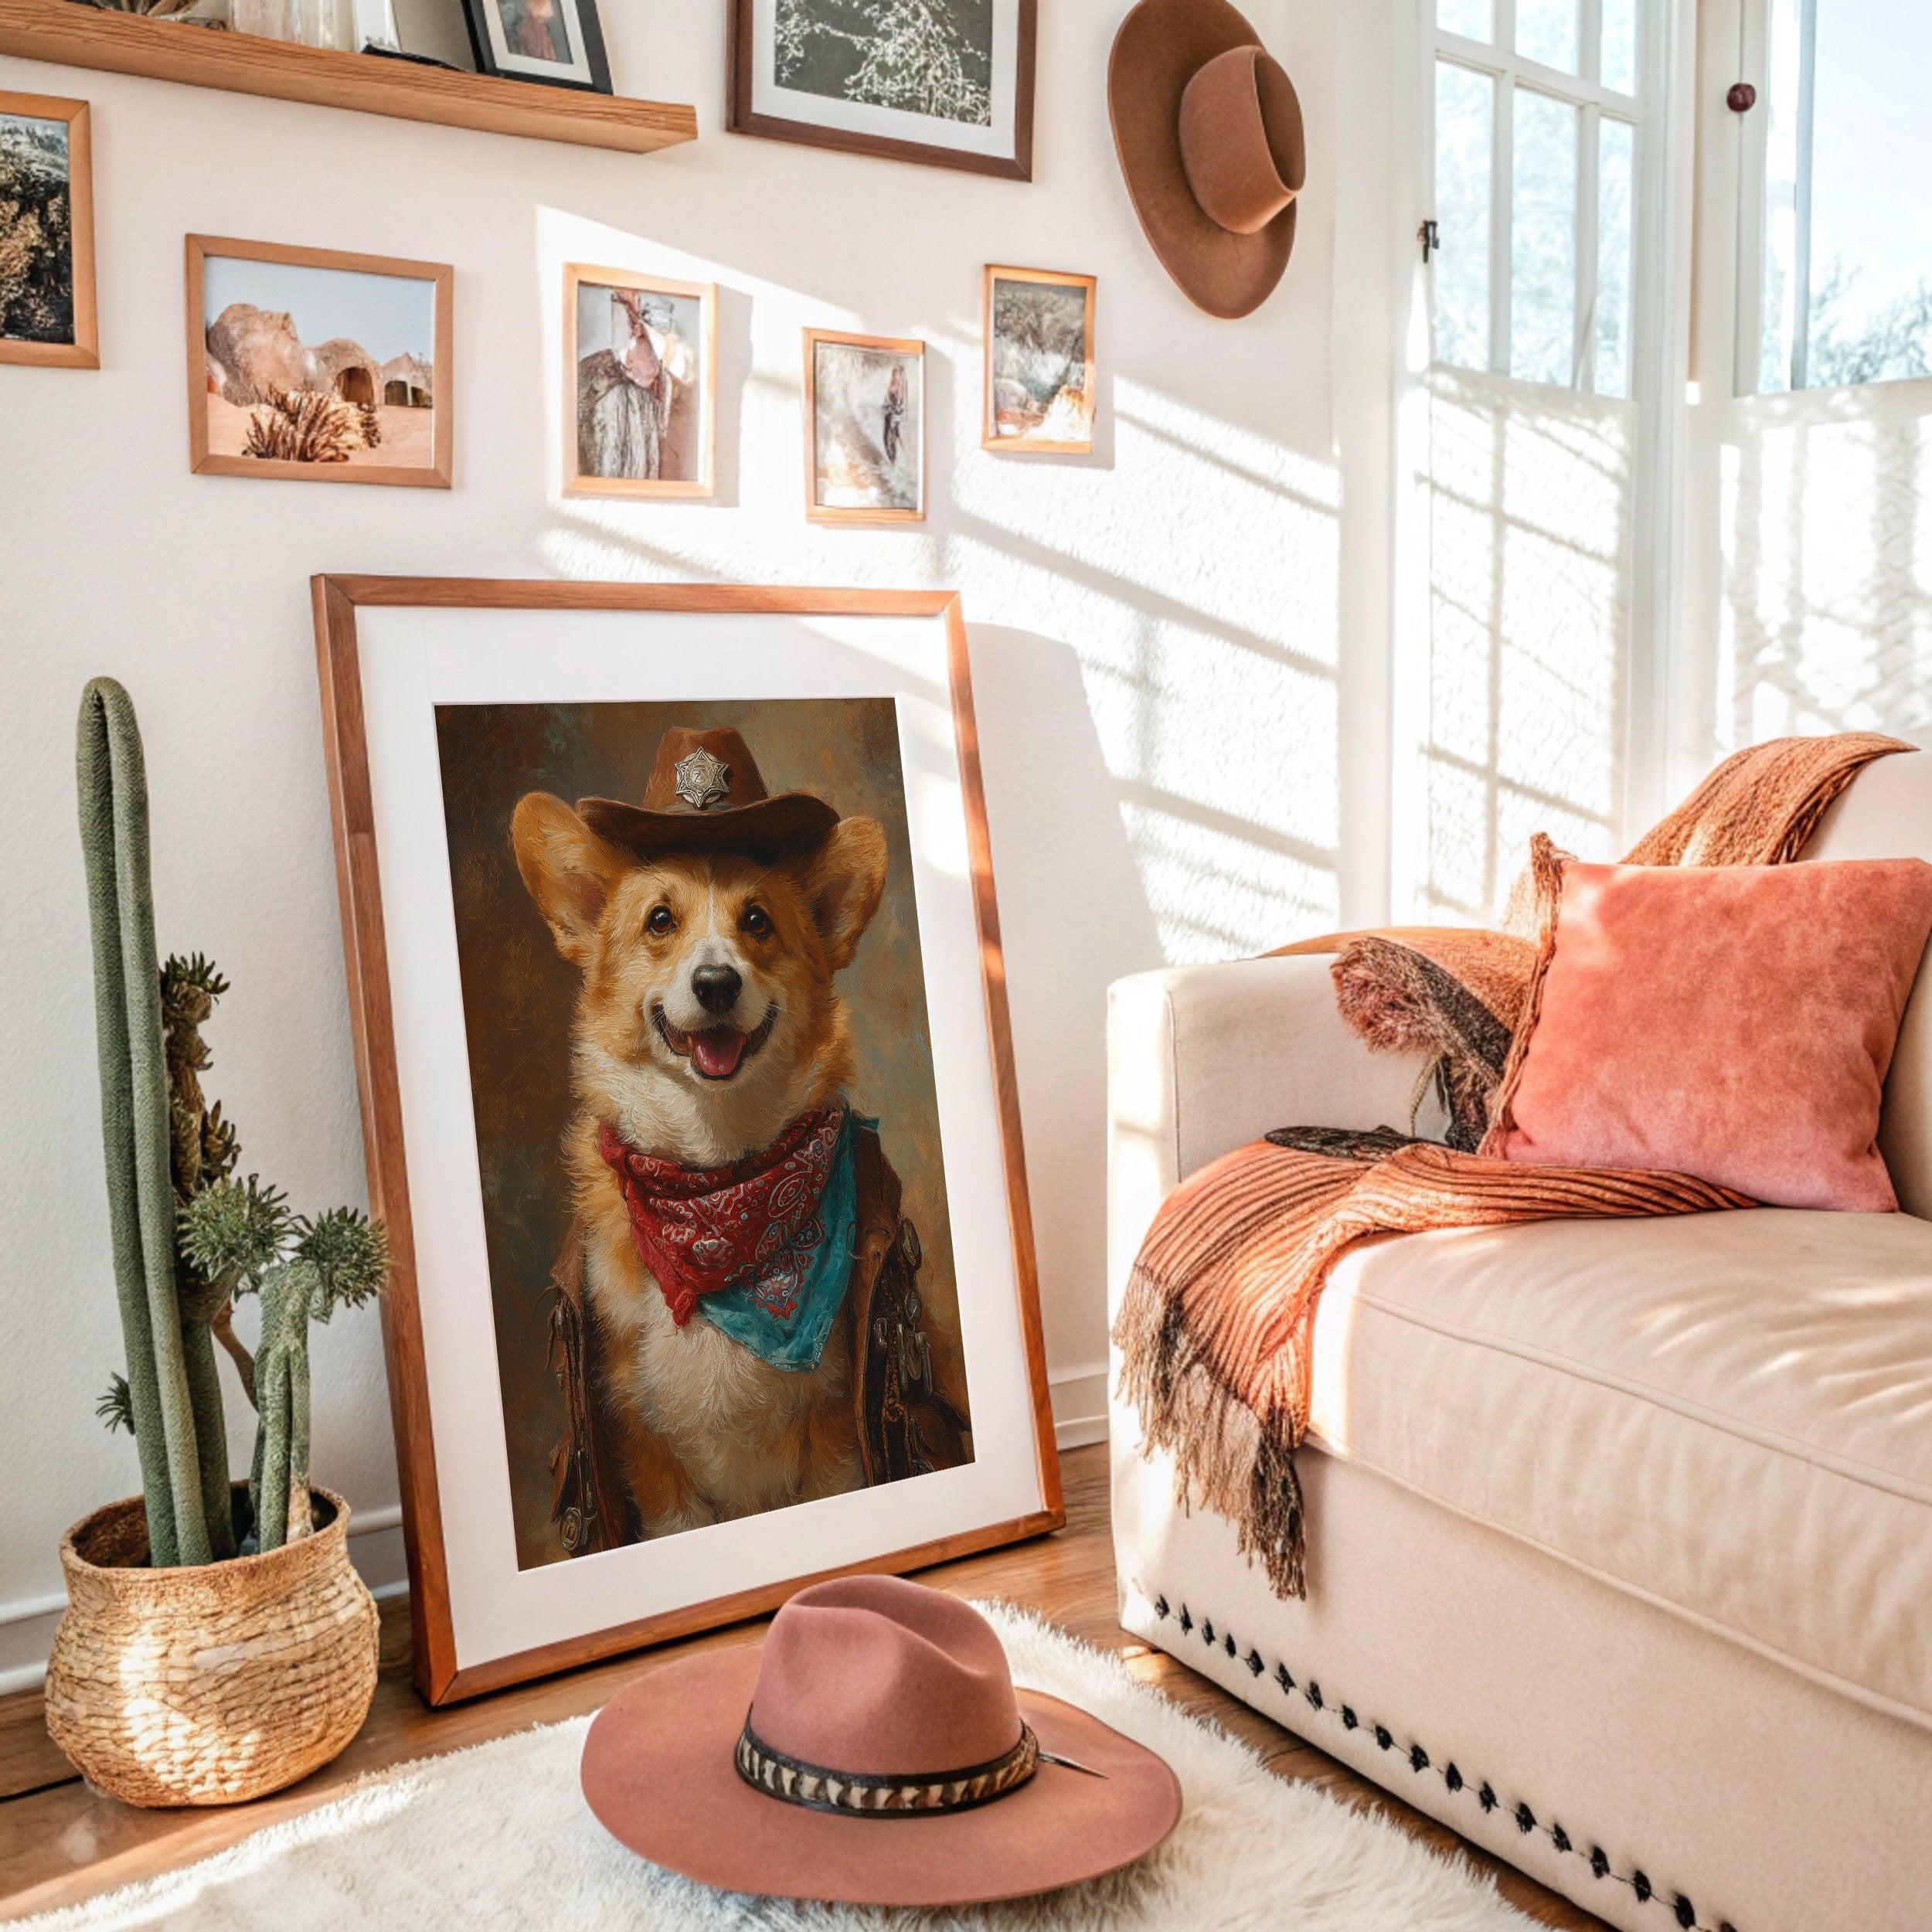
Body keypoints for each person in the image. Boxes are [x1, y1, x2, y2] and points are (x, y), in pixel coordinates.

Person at [882, 362, 907, 466]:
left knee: (892, 437)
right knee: (886, 436)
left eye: (896, 372)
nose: (894, 374)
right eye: (894, 372)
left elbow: (898, 402)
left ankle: (894, 461)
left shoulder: (900, 386)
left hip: (894, 416)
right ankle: (892, 460)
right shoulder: (893, 383)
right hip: (888, 414)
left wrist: (893, 407)